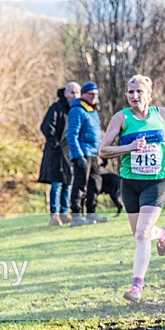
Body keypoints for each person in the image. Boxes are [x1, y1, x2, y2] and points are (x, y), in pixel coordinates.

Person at [99, 75, 165, 303]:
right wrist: (130, 147)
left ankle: (136, 287)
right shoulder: (121, 118)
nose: (134, 96)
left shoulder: (161, 114)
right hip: (130, 183)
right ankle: (162, 233)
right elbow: (103, 150)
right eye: (130, 92)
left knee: (143, 233)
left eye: (139, 92)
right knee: (140, 234)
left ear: (149, 94)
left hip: (156, 182)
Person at [67, 81, 108, 226]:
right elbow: (71, 135)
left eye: (96, 94)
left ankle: (91, 214)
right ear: (83, 94)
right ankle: (76, 216)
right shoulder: (77, 110)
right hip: (82, 154)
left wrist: (101, 154)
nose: (94, 97)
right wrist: (78, 156)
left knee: (95, 184)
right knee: (80, 185)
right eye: (91, 94)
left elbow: (96, 135)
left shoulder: (93, 111)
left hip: (93, 154)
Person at [38, 82, 80, 225]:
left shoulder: (77, 110)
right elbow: (46, 127)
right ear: (66, 93)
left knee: (68, 183)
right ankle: (54, 214)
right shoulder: (56, 108)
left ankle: (64, 212)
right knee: (57, 184)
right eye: (72, 93)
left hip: (71, 152)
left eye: (77, 93)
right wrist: (55, 144)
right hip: (56, 152)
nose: (75, 96)